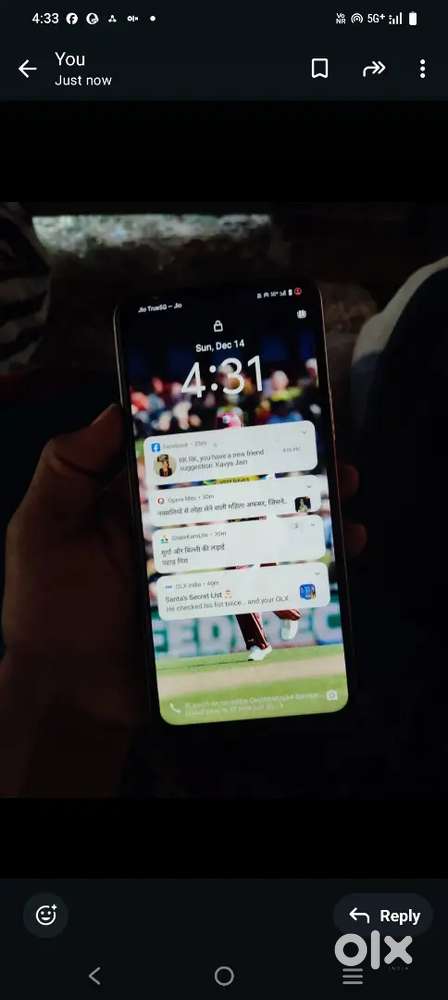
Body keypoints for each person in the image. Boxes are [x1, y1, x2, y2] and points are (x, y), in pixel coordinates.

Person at [0, 402, 363, 797]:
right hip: (232, 536)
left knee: (255, 584)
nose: (226, 434)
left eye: (231, 428)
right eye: (223, 428)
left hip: (262, 530)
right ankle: (268, 633)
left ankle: (280, 619)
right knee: (238, 591)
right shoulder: (214, 464)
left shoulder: (260, 456)